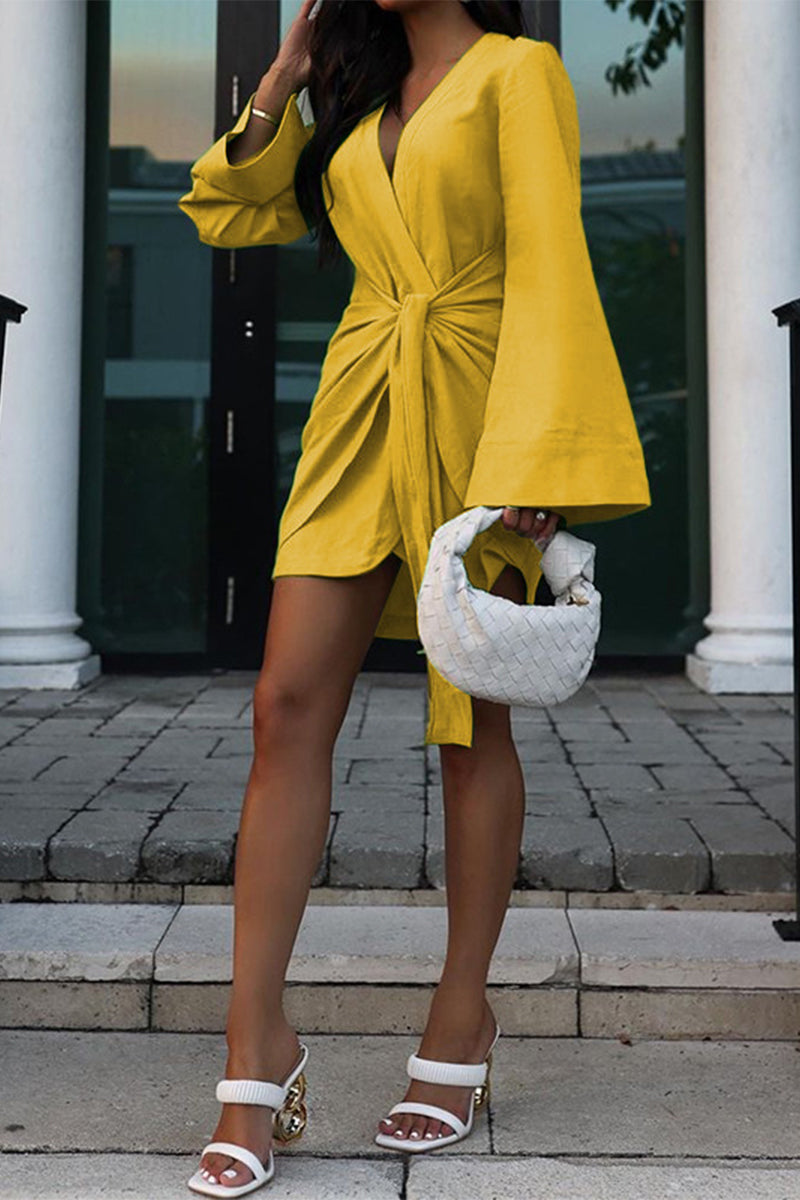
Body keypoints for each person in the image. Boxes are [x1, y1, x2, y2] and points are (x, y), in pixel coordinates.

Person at [179, 0, 651, 1193]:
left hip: (478, 406)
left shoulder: (517, 72)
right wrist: (283, 75)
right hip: (360, 401)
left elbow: (549, 260)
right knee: (285, 707)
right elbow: (233, 206)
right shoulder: (357, 92)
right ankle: (253, 1050)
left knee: (470, 714)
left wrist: (535, 458)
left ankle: (459, 1020)